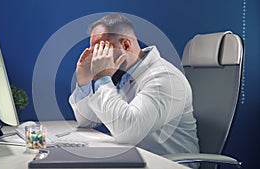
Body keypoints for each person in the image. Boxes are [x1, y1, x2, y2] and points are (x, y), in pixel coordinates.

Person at [69, 13, 199, 158]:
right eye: (95, 50)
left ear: (125, 45)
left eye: (102, 48)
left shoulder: (164, 78)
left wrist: (103, 78)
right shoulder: (123, 74)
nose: (97, 57)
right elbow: (88, 121)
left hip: (168, 163)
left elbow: (127, 132)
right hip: (133, 157)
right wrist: (84, 81)